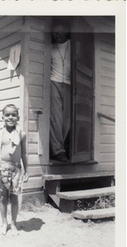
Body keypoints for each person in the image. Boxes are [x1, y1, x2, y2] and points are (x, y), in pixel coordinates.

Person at [0, 104, 28, 236]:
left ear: (18, 117)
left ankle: (14, 223)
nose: (10, 117)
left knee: (15, 198)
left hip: (16, 169)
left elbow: (24, 154)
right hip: (2, 169)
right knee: (3, 197)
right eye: (7, 115)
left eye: (13, 115)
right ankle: (4, 223)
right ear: (2, 117)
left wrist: (26, 171)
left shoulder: (21, 134)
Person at [50, 19, 71, 162]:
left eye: (61, 31)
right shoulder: (50, 48)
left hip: (70, 84)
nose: (58, 34)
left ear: (67, 31)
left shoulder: (74, 46)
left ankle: (63, 147)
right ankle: (58, 151)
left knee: (67, 119)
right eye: (55, 31)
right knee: (56, 118)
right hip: (54, 82)